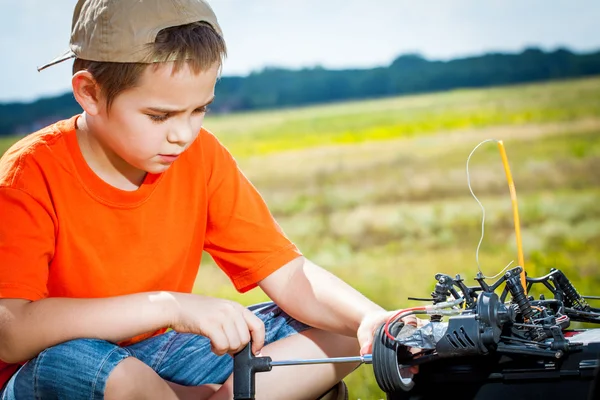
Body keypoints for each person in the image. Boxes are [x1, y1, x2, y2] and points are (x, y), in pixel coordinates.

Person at [0, 1, 403, 398]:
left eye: (199, 110)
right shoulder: (29, 172)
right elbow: (11, 333)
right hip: (60, 366)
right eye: (160, 116)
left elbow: (285, 270)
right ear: (89, 92)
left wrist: (370, 318)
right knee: (87, 366)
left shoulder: (200, 156)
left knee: (345, 333)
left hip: (167, 352)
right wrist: (169, 307)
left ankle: (207, 396)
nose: (183, 134)